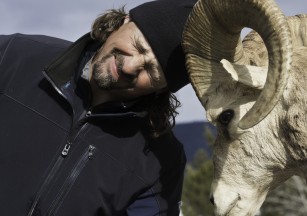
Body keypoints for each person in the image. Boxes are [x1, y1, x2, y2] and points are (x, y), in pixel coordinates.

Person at [0, 0, 197, 215]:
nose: (130, 67)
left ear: (162, 89)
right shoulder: (13, 56)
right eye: (138, 45)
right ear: (125, 21)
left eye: (151, 71)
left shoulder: (161, 162)